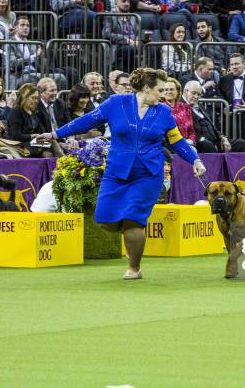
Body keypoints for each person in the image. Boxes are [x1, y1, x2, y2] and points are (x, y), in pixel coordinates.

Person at [36, 68, 206, 280]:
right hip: (117, 170)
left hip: (148, 173)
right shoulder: (116, 103)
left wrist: (195, 160)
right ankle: (131, 238)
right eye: (160, 90)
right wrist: (55, 134)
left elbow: (177, 141)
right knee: (104, 217)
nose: (163, 95)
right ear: (146, 88)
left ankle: (134, 267)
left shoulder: (163, 112)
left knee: (133, 219)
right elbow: (87, 120)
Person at [183, 80, 245, 153]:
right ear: (185, 91)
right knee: (206, 145)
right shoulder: (180, 106)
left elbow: (212, 126)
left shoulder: (200, 106)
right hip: (198, 142)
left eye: (198, 94)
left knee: (240, 143)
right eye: (193, 93)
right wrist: (200, 139)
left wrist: (222, 137)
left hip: (215, 141)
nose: (196, 97)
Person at [7, 83, 52, 158]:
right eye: (33, 98)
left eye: (37, 98)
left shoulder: (35, 113)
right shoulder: (16, 112)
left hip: (34, 143)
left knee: (51, 144)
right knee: (47, 150)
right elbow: (16, 136)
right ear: (24, 97)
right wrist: (32, 136)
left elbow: (42, 131)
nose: (36, 101)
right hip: (19, 145)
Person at [103, 0, 140, 73]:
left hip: (134, 44)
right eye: (123, 1)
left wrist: (137, 41)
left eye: (128, 1)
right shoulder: (110, 16)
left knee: (153, 47)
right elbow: (106, 34)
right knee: (129, 49)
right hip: (118, 45)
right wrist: (126, 40)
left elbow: (137, 33)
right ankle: (130, 74)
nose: (127, 3)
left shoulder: (133, 17)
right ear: (116, 3)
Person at [163, 77, 196, 145]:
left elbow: (192, 131)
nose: (168, 92)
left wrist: (191, 141)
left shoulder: (185, 107)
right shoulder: (160, 108)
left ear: (177, 92)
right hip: (170, 144)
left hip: (187, 143)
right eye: (166, 90)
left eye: (171, 89)